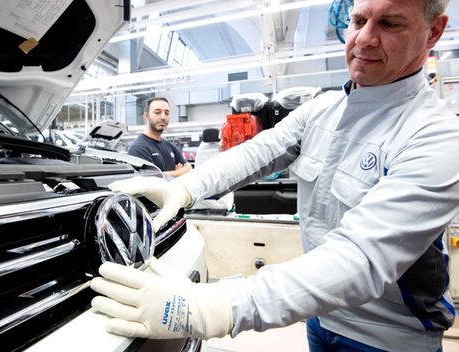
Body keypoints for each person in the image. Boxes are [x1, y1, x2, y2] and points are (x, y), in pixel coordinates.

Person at [90, 0, 459, 351]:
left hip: (387, 336)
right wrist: (185, 187)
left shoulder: (437, 135)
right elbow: (258, 152)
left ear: (433, 32)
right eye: (359, 21)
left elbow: (359, 259)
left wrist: (207, 308)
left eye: (390, 23)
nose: (364, 38)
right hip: (320, 316)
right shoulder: (323, 110)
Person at [127, 97, 192, 177]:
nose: (163, 117)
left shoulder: (170, 146)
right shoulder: (138, 148)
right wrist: (179, 173)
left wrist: (165, 175)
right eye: (157, 112)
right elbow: (152, 179)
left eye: (167, 113)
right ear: (146, 116)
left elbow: (189, 168)